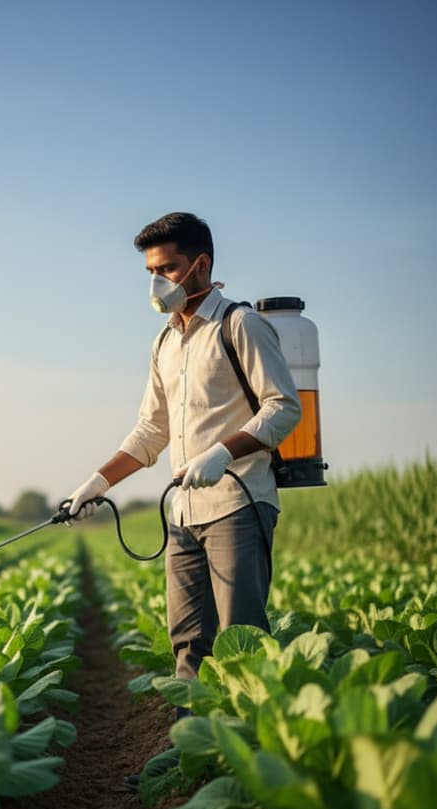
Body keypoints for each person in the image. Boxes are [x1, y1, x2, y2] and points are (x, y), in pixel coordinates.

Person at [66, 212, 301, 718]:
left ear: (201, 265)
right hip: (183, 517)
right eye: (151, 271)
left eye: (167, 269)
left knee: (241, 642)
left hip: (238, 503)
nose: (156, 282)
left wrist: (222, 453)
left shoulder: (240, 325)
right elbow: (151, 432)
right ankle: (189, 757)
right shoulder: (164, 343)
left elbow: (284, 407)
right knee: (188, 643)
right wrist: (98, 481)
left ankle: (244, 759)